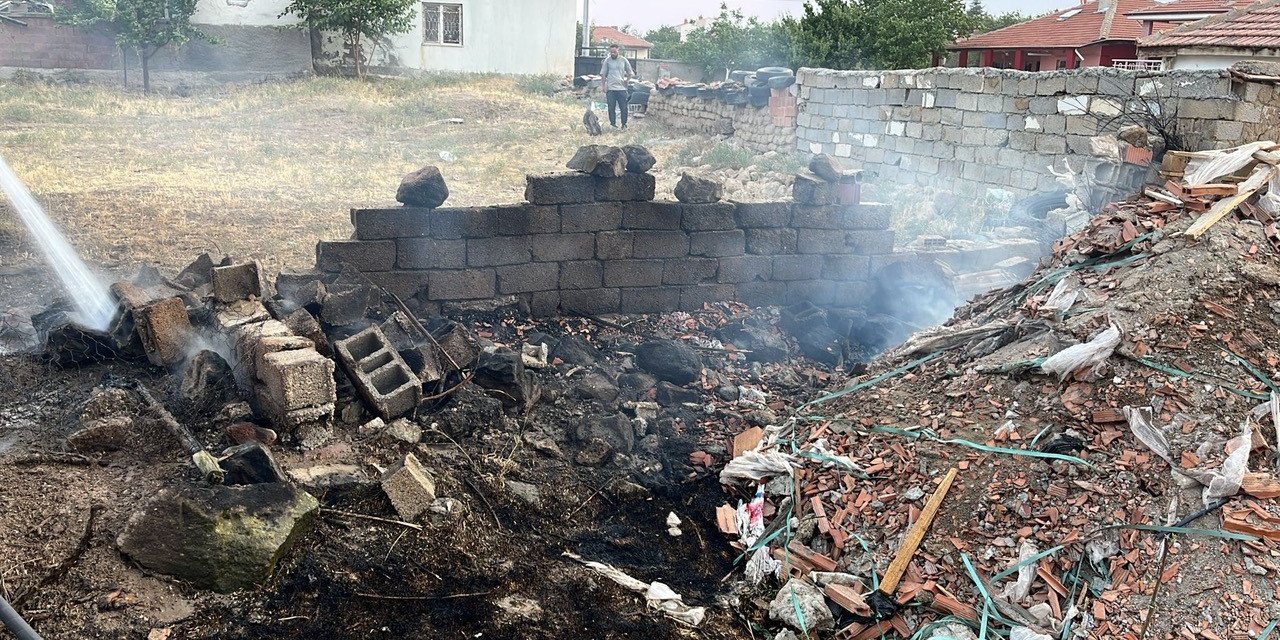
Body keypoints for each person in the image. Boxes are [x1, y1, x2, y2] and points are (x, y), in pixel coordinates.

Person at [600, 44, 635, 129]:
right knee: (611, 107)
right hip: (611, 88)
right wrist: (603, 86)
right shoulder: (607, 61)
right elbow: (603, 74)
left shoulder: (623, 60)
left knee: (623, 107)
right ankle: (613, 124)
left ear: (618, 51)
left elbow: (630, 73)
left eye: (614, 52)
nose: (613, 54)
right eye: (611, 52)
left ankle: (624, 124)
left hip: (621, 88)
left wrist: (627, 80)